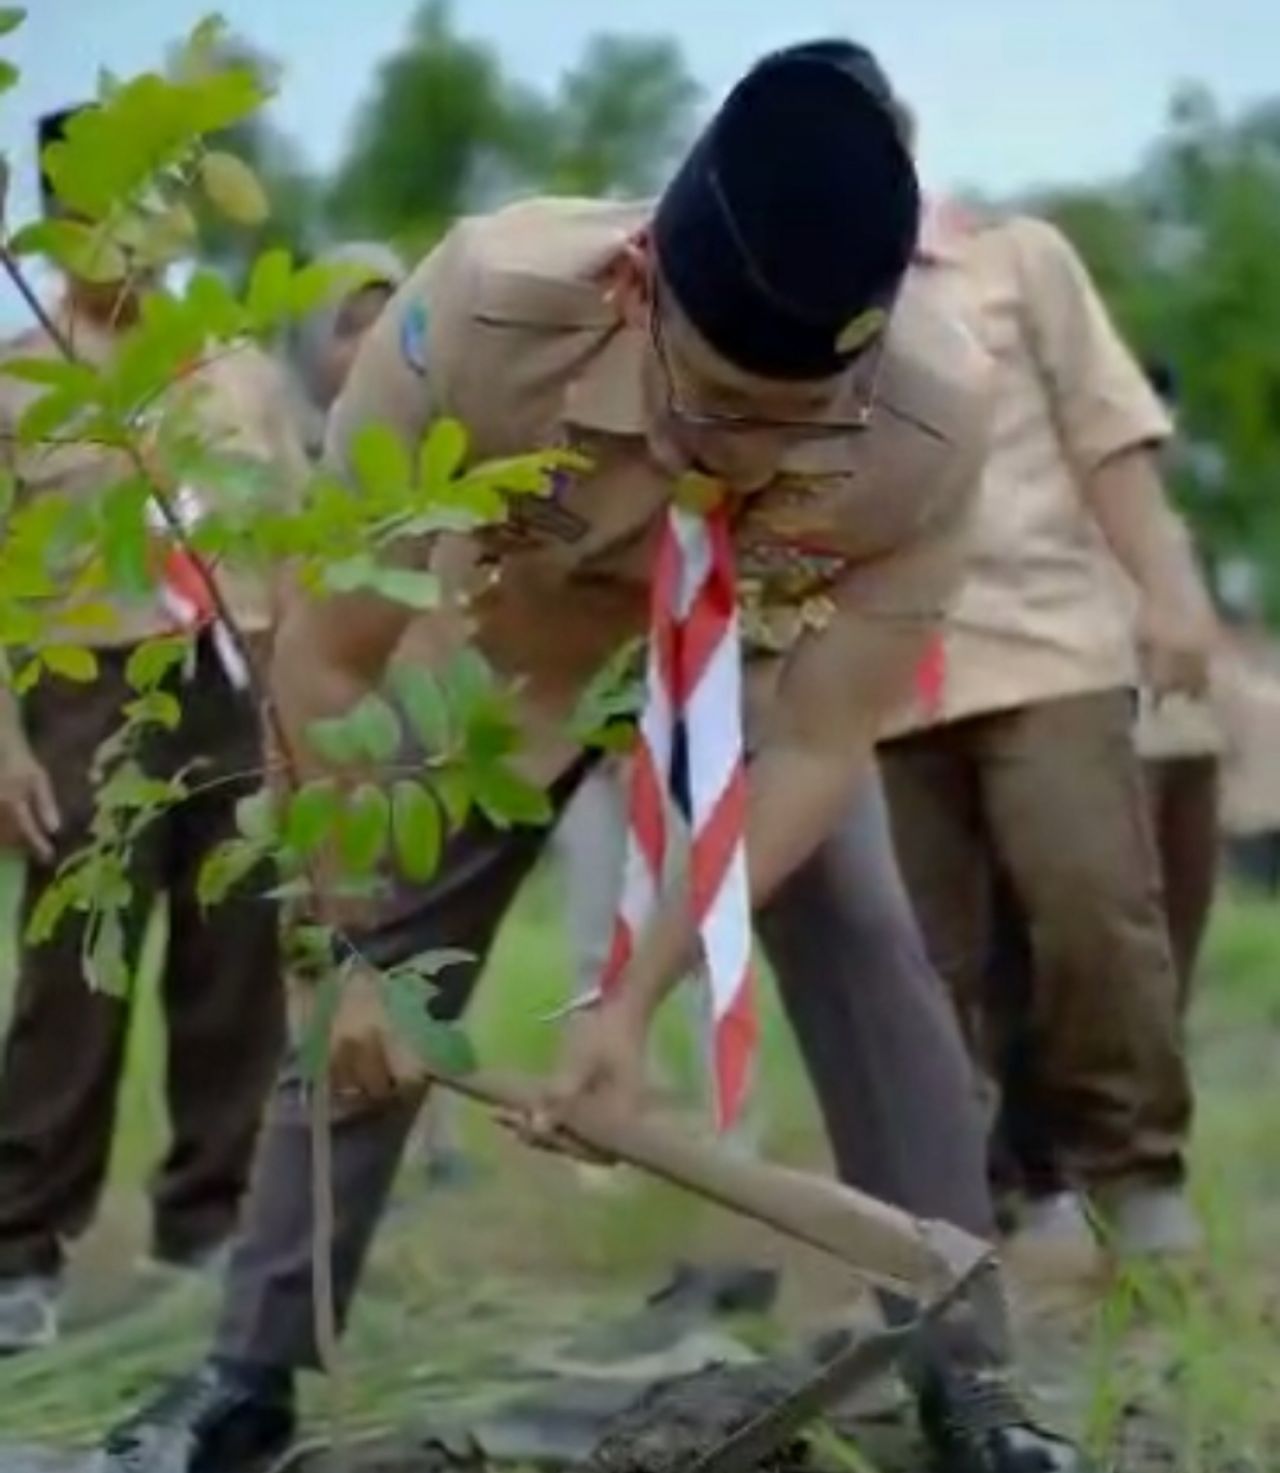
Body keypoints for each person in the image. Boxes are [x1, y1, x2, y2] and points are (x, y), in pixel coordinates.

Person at [100, 43, 1089, 1472]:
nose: (747, 457)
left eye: (794, 425)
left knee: (867, 937)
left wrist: (631, 999)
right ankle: (242, 1376)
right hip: (502, 655)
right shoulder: (487, 304)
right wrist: (351, 939)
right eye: (720, 405)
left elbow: (819, 738)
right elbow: (329, 652)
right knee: (392, 952)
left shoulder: (933, 413)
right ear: (640, 284)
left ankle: (968, 1376)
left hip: (747, 667)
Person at [0, 108, 306, 1353]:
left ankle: (207, 1228)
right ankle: (19, 1250)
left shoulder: (239, 373)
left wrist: (293, 728)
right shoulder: (23, 378)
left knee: (232, 966)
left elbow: (287, 554)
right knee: (72, 976)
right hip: (86, 691)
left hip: (230, 682)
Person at [877, 184, 1215, 1263]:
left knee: (1088, 899)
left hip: (1042, 638)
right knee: (931, 956)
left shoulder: (1015, 261)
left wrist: (1167, 590)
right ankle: (984, 1191)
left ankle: (1132, 1170)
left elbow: (1106, 432)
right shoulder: (794, 291)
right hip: (873, 669)